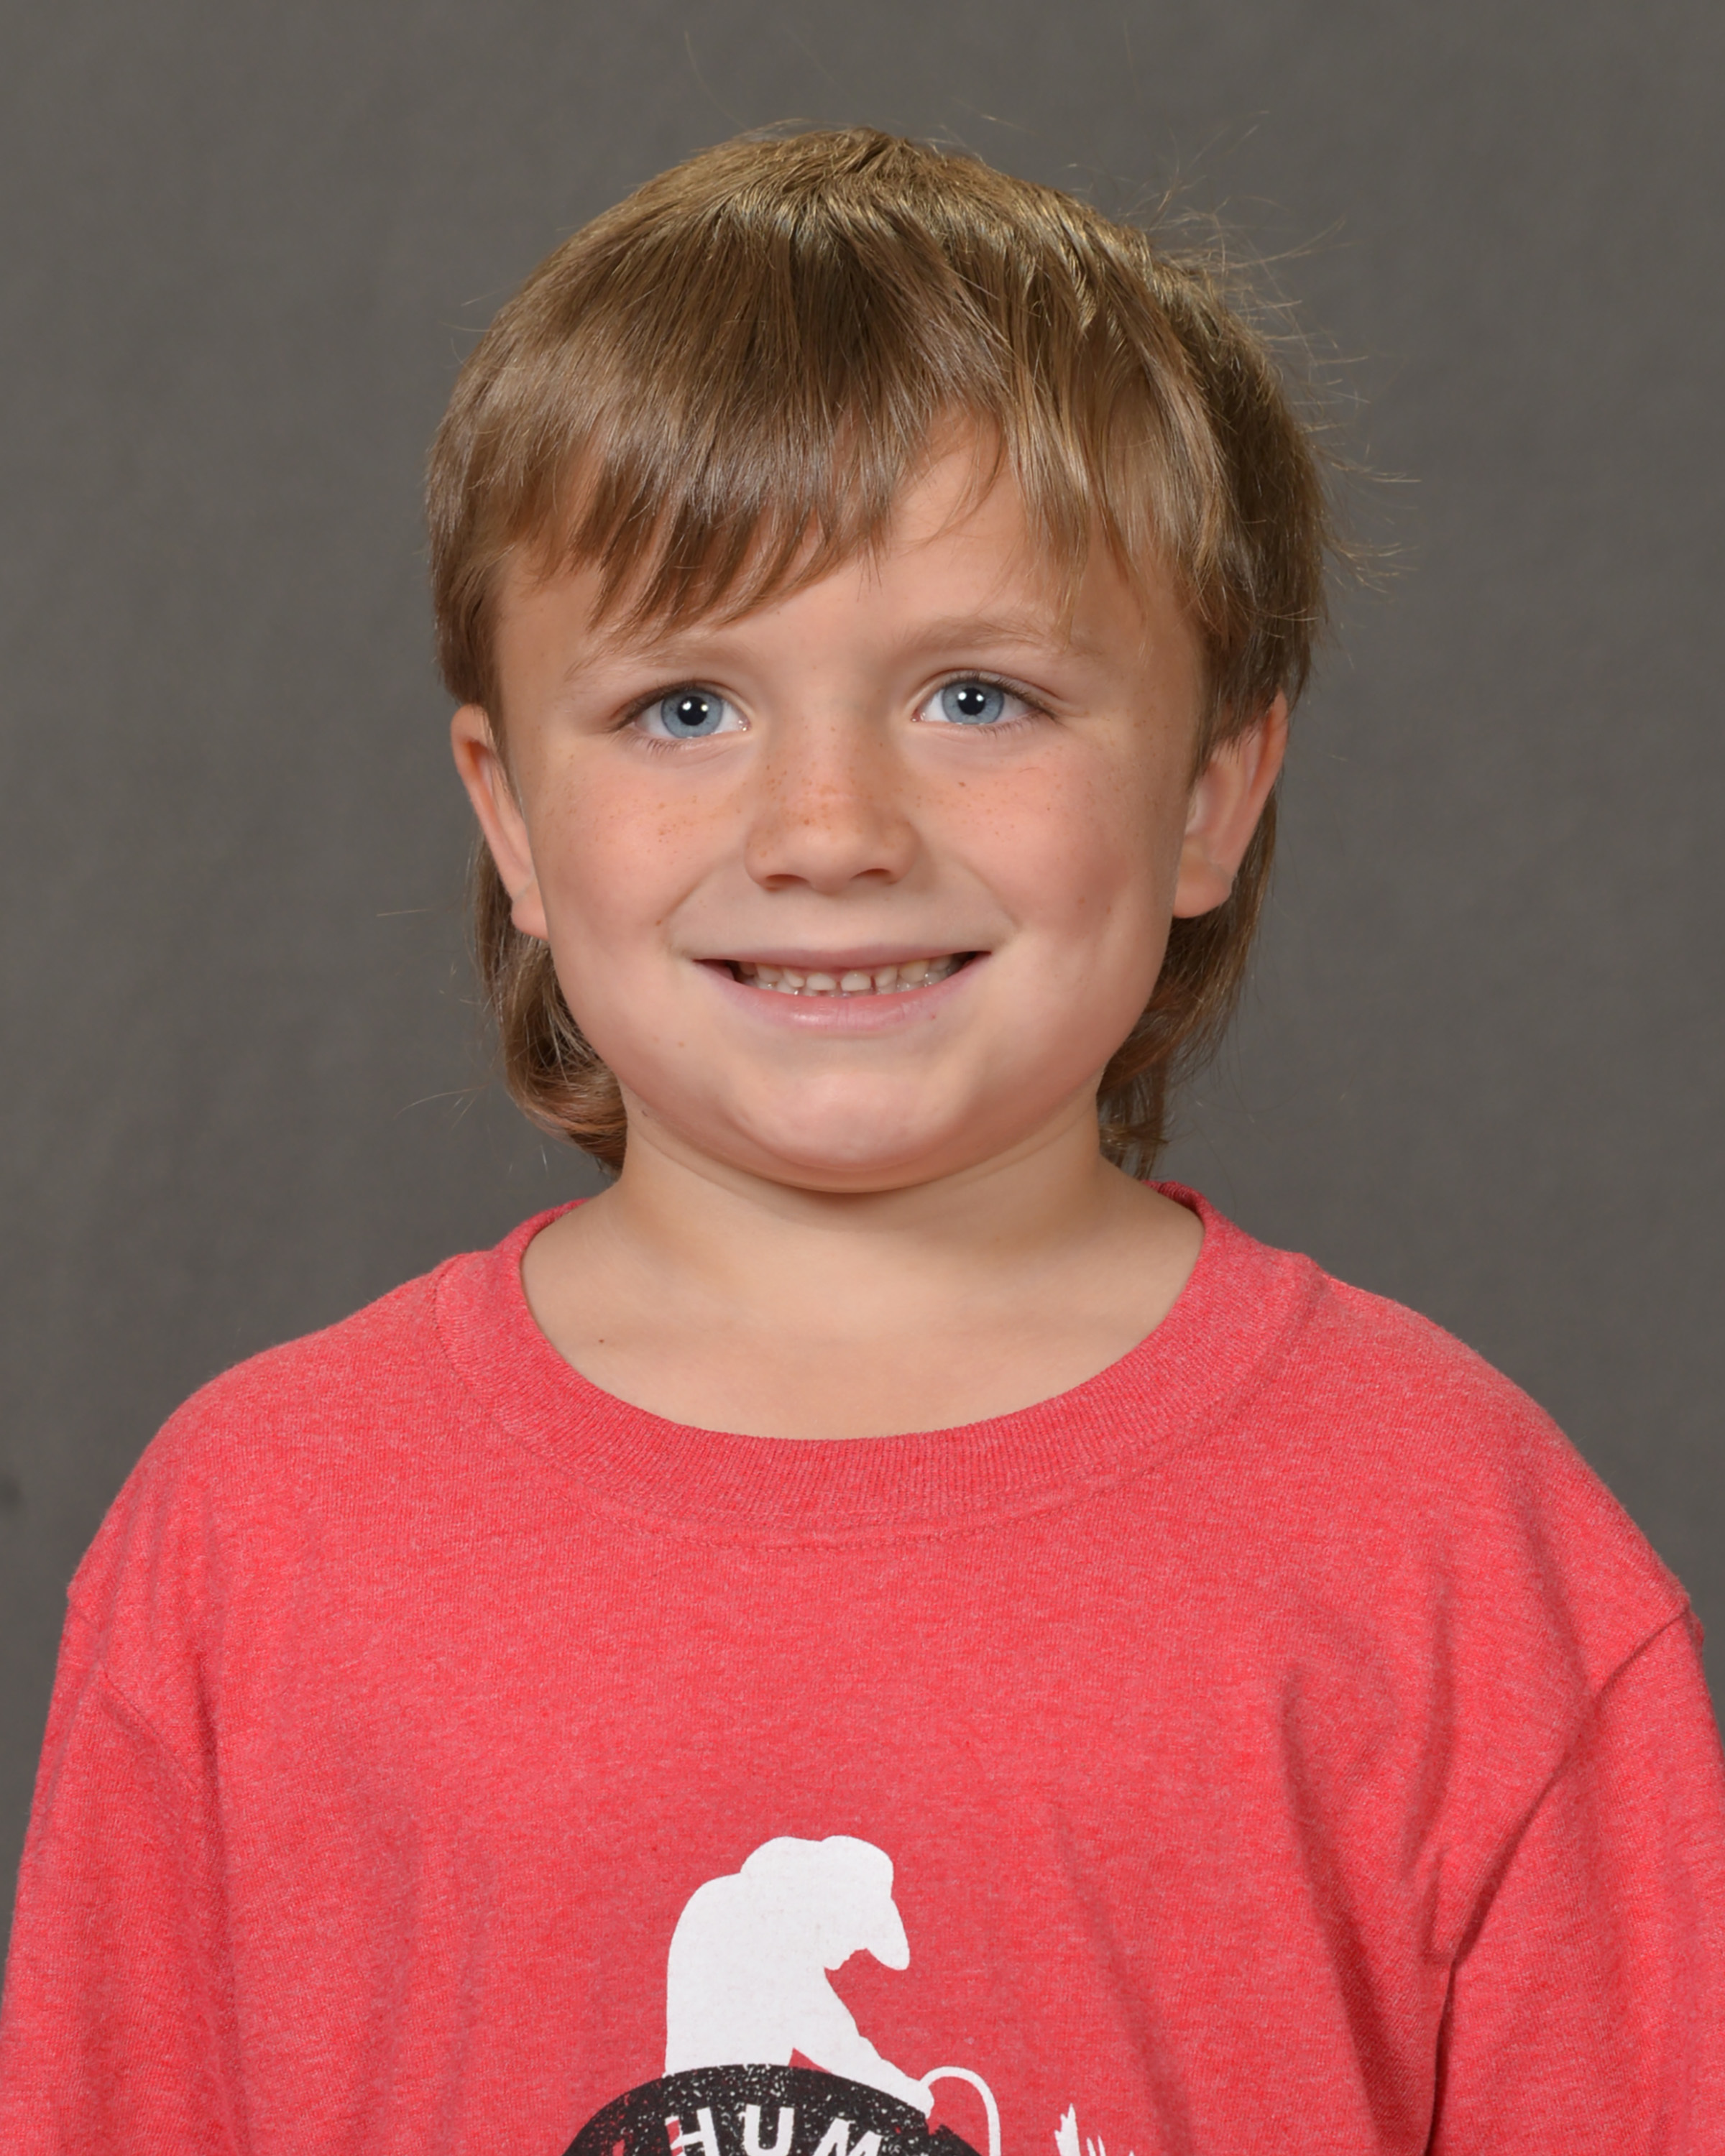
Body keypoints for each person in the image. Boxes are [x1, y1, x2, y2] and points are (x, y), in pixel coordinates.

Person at [1, 125, 1721, 2155]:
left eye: (977, 699)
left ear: (1211, 793)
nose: (829, 831)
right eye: (685, 709)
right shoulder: (254, 1540)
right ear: (511, 817)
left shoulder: (1462, 1552)